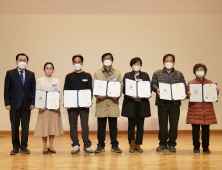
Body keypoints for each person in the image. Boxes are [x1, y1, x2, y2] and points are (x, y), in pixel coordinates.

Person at [151, 54, 186, 152]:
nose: (169, 63)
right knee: (163, 124)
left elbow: (184, 85)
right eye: (167, 61)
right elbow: (152, 84)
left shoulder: (179, 74)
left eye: (171, 61)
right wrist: (157, 89)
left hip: (175, 103)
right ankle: (162, 143)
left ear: (173, 62)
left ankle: (172, 144)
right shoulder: (157, 73)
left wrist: (183, 94)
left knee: (174, 124)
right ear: (163, 62)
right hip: (162, 103)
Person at [4, 53, 36, 155]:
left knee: (25, 126)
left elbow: (34, 90)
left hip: (27, 104)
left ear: (27, 62)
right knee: (14, 126)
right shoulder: (10, 73)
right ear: (16, 61)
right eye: (20, 60)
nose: (22, 62)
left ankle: (24, 146)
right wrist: (7, 103)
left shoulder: (31, 74)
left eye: (24, 60)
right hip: (14, 104)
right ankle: (15, 147)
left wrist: (33, 102)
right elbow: (6, 90)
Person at [92, 53, 123, 153]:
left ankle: (114, 145)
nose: (107, 60)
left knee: (113, 127)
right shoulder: (97, 73)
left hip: (113, 103)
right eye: (105, 58)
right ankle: (100, 145)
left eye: (109, 58)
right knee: (101, 127)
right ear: (102, 61)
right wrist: (97, 95)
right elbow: (93, 86)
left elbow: (121, 86)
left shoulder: (117, 73)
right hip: (101, 103)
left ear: (112, 61)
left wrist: (118, 95)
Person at [186, 63, 220, 154]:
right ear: (194, 72)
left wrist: (216, 92)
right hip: (194, 110)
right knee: (195, 130)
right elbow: (186, 96)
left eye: (201, 70)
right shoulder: (191, 83)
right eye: (197, 70)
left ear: (205, 72)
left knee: (206, 130)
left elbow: (213, 96)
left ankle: (206, 147)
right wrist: (188, 94)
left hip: (207, 110)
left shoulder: (209, 82)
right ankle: (196, 147)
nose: (199, 71)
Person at [64, 54, 93, 154]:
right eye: (75, 62)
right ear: (73, 63)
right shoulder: (68, 76)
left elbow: (90, 89)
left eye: (79, 62)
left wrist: (89, 100)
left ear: (82, 63)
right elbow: (66, 90)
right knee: (73, 125)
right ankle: (75, 144)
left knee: (85, 125)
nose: (77, 63)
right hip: (71, 105)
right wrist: (66, 102)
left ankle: (87, 145)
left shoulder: (87, 75)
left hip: (84, 105)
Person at [121, 57, 151, 153]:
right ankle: (132, 143)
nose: (136, 66)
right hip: (131, 103)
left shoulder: (145, 75)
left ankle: (138, 144)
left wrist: (148, 94)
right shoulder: (127, 75)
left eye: (138, 64)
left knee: (140, 125)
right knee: (131, 125)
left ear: (141, 65)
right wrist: (129, 95)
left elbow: (148, 88)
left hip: (142, 104)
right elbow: (124, 88)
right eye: (134, 64)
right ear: (131, 65)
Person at [34, 62, 64, 154]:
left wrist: (58, 104)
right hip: (43, 108)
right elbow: (38, 93)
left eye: (50, 68)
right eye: (47, 68)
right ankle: (45, 147)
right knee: (44, 127)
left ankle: (51, 146)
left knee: (52, 127)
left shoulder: (57, 81)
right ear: (44, 70)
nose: (49, 70)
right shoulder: (39, 80)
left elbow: (59, 93)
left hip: (54, 108)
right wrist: (40, 105)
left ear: (53, 70)